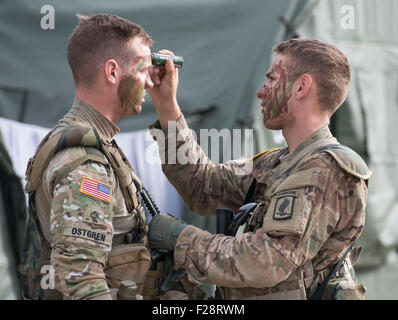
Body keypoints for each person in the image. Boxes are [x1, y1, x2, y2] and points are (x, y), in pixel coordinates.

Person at [147, 39, 371, 299]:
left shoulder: (325, 169)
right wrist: (167, 105)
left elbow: (263, 262)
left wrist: (179, 238)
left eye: (273, 79)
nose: (261, 91)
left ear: (301, 87)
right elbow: (201, 185)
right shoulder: (279, 163)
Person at [19, 13, 193, 300]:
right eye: (143, 70)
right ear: (112, 72)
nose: (149, 83)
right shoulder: (85, 163)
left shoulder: (97, 142)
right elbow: (81, 284)